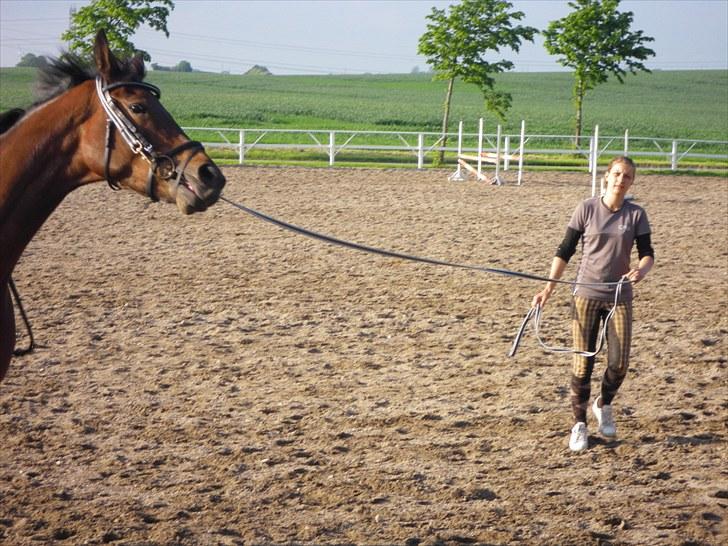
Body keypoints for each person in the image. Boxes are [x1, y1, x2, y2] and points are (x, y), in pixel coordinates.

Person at [532, 156, 654, 452]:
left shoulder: (636, 214)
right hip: (585, 295)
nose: (620, 180)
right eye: (616, 174)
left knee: (619, 363)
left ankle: (604, 404)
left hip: (619, 297)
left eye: (626, 176)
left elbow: (647, 253)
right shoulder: (586, 209)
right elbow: (565, 250)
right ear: (606, 176)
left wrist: (641, 269)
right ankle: (579, 425)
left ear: (631, 182)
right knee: (582, 364)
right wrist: (548, 289)